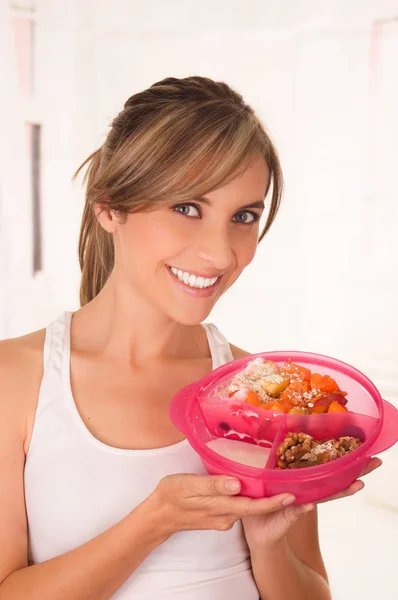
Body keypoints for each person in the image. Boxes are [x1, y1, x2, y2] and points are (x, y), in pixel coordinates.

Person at [0, 76, 380, 600]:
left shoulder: (268, 393)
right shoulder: (16, 379)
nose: (221, 254)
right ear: (109, 206)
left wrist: (268, 540)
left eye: (243, 216)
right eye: (187, 208)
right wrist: (155, 521)